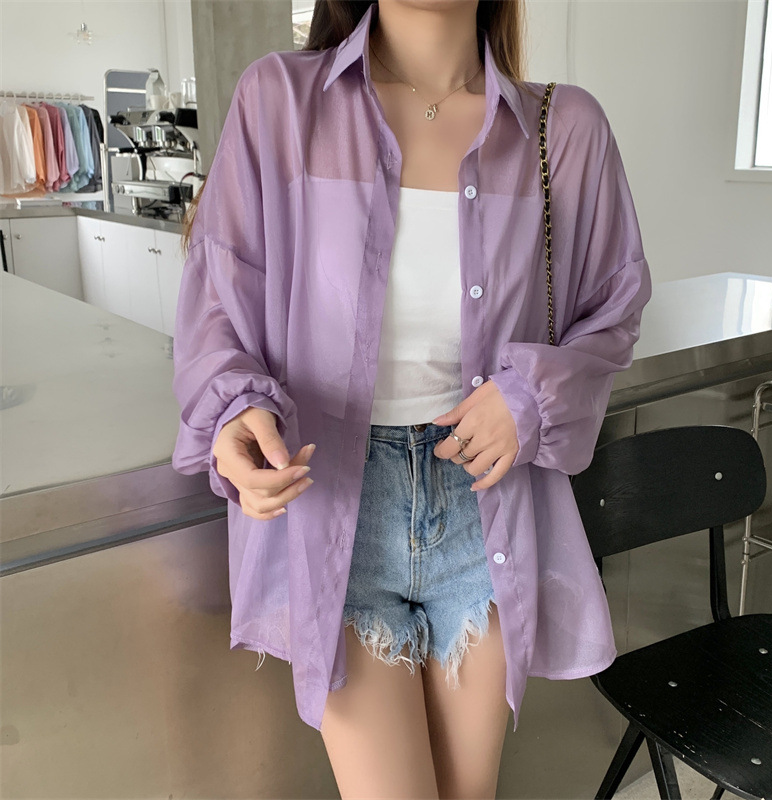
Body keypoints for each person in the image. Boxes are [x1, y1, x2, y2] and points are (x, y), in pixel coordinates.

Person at [172, 0, 653, 797]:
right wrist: (233, 412)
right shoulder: (281, 103)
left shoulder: (562, 130)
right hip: (335, 506)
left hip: (485, 509)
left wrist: (528, 401)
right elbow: (219, 296)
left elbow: (615, 304)